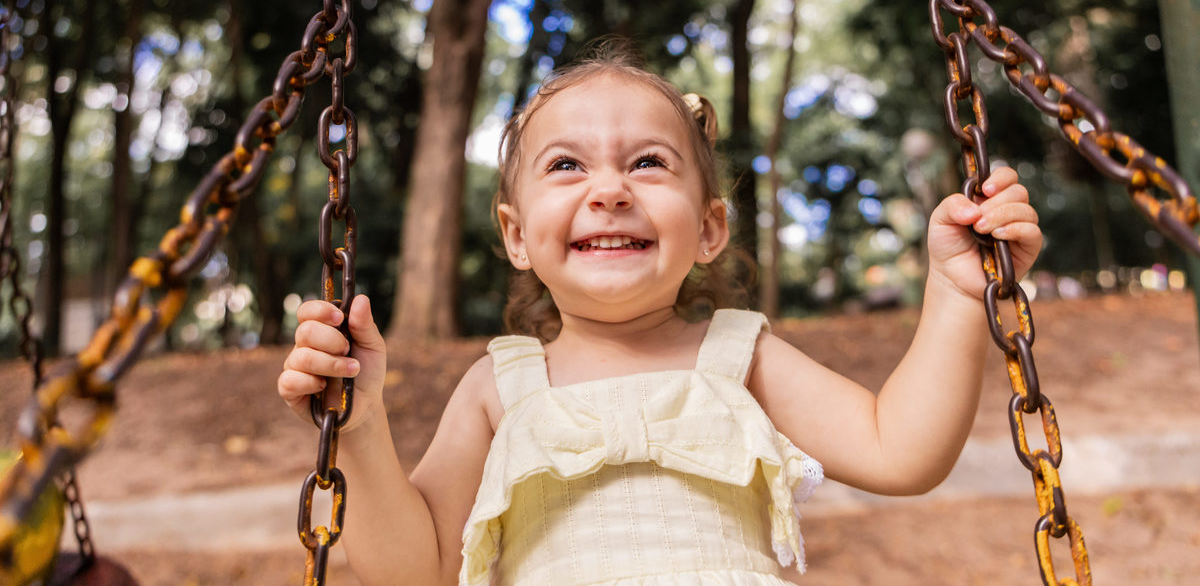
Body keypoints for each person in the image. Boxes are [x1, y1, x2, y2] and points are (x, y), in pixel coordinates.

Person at [278, 38, 1042, 586]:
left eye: (648, 162)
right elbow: (416, 571)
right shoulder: (499, 387)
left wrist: (955, 292)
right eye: (567, 165)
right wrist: (359, 427)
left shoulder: (739, 358)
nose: (610, 190)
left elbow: (900, 452)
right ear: (516, 236)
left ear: (709, 228)